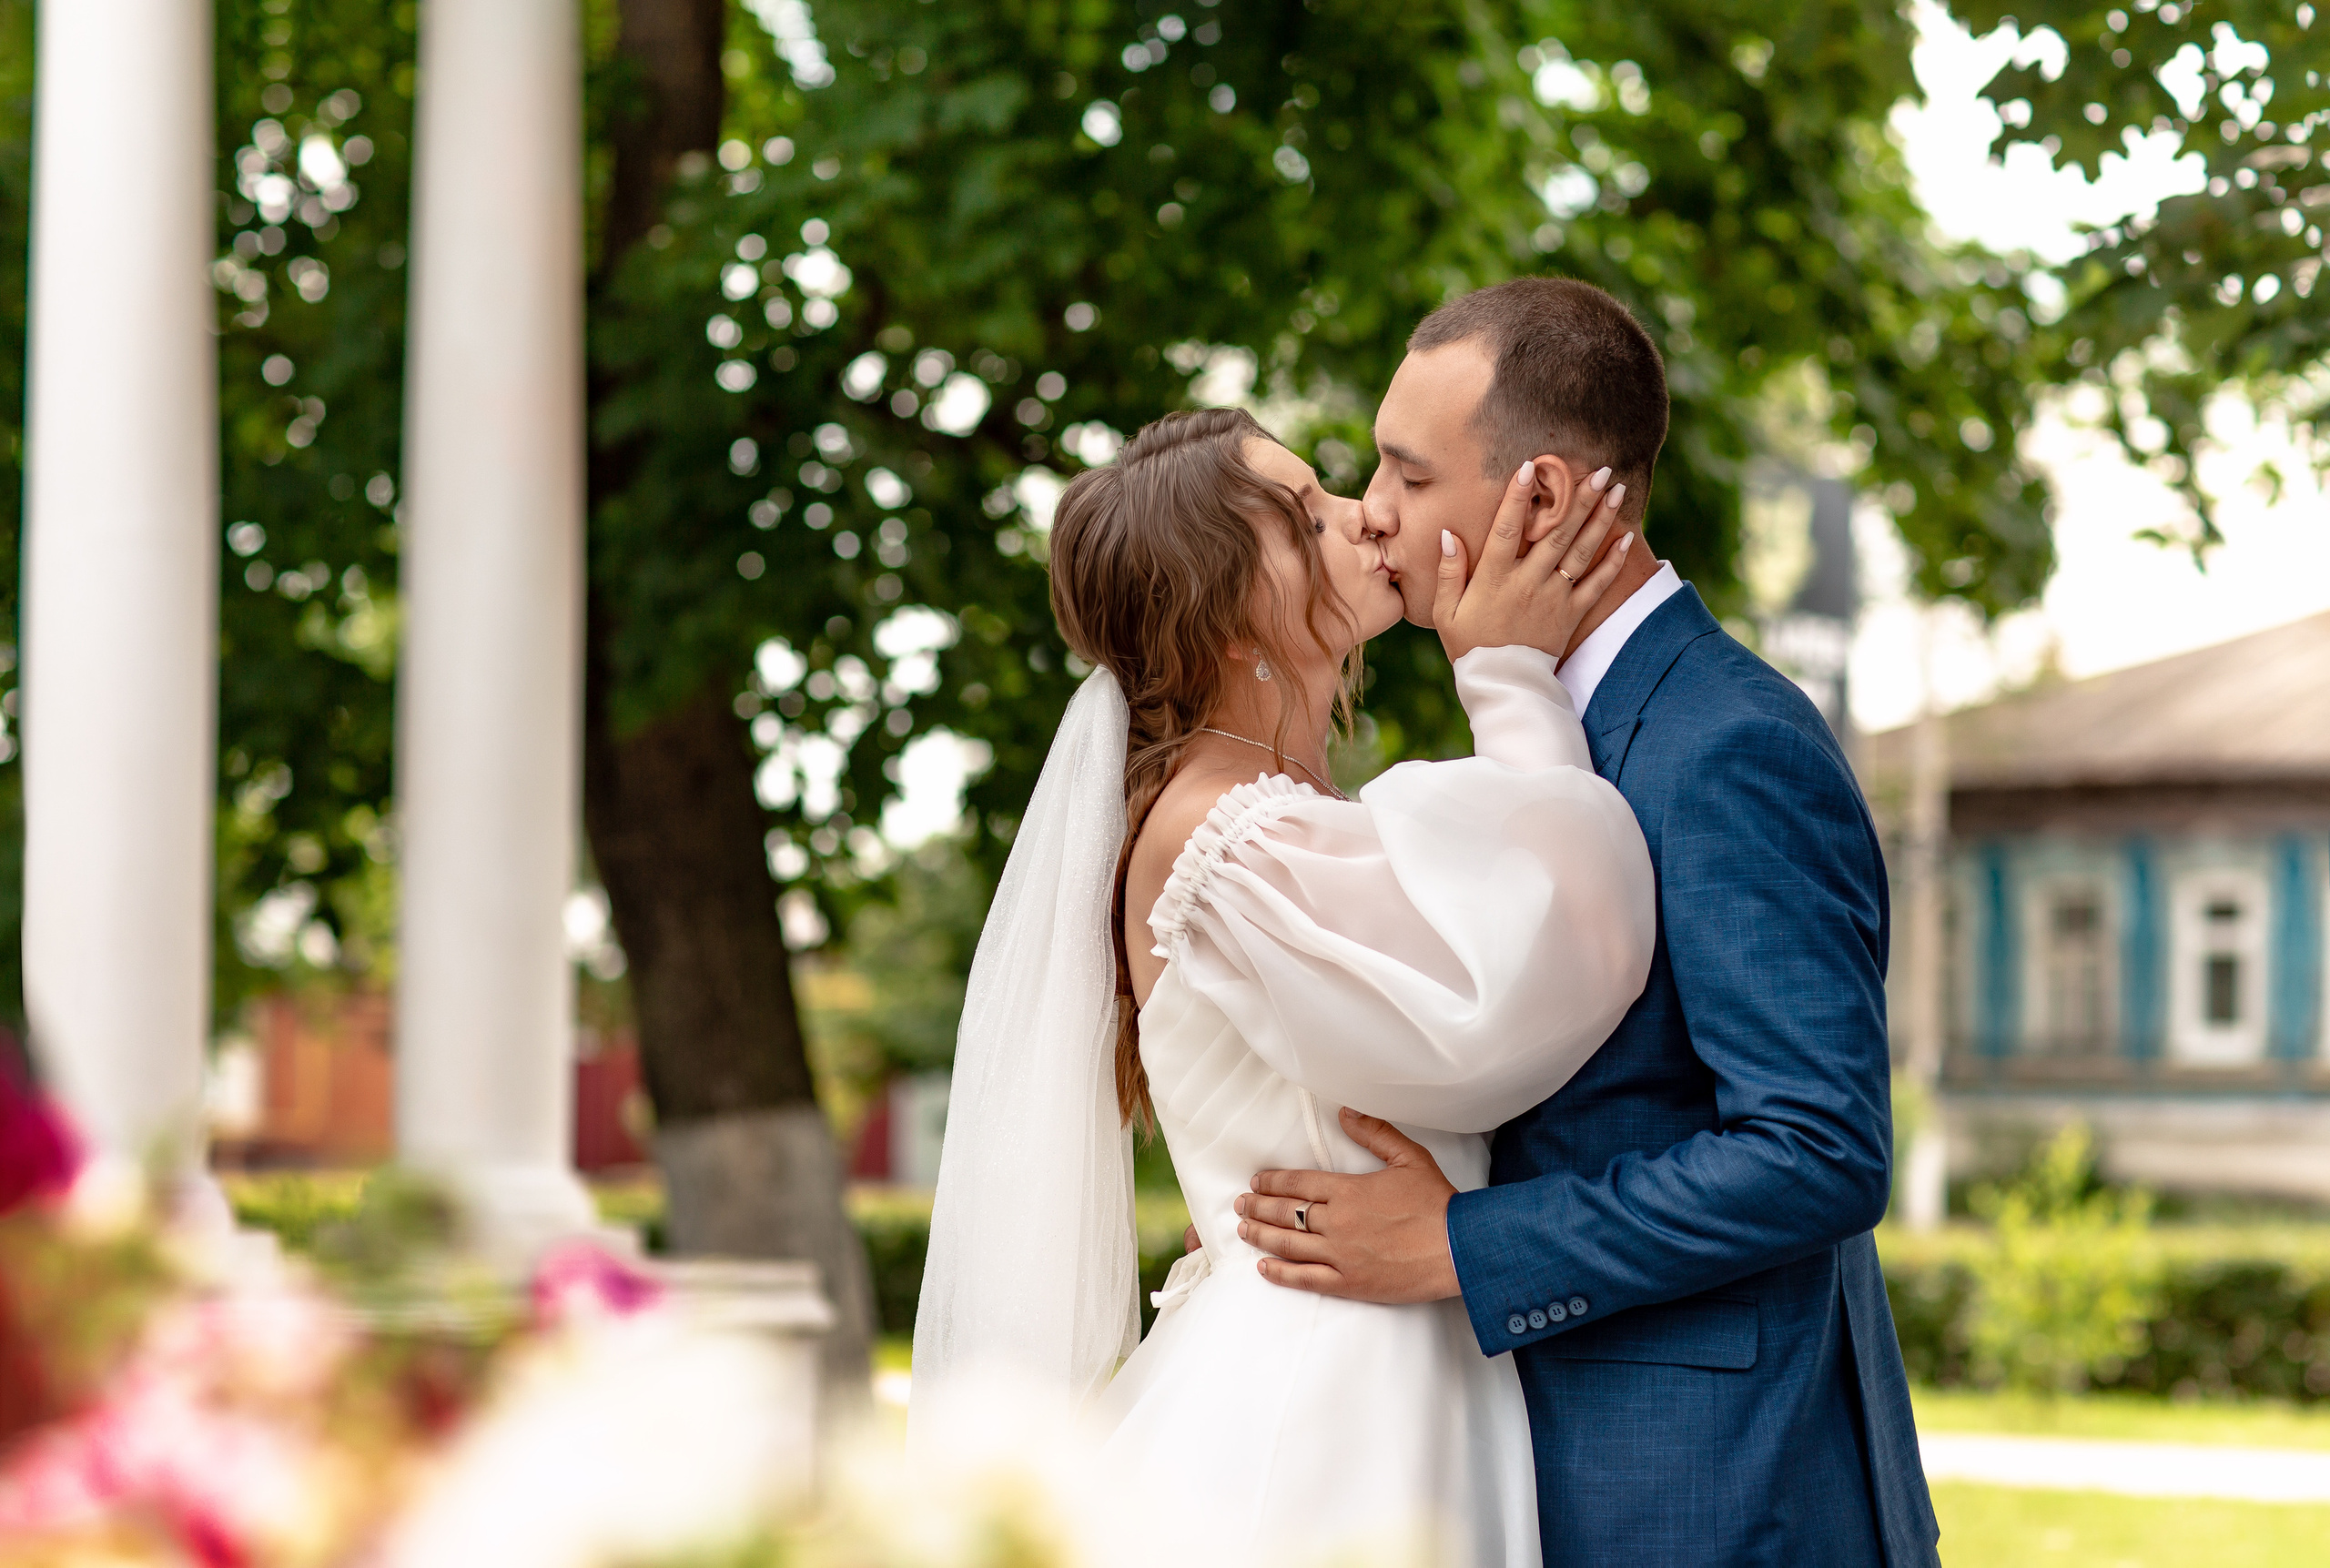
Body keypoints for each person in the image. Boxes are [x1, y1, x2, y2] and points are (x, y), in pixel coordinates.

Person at [1234, 277, 1942, 1567]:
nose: (1373, 510)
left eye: (1406, 471)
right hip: (1552, 1462)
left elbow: (1818, 1145)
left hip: (1713, 1491)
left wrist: (1464, 1241)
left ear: (1543, 498)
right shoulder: (1539, 732)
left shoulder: (1726, 743)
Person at [912, 403, 1656, 1566]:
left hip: (1390, 1367)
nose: (1362, 516)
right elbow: (1529, 974)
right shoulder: (1226, 837)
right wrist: (1508, 678)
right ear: (1221, 614)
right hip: (1324, 1401)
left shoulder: (1279, 817)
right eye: (1305, 515)